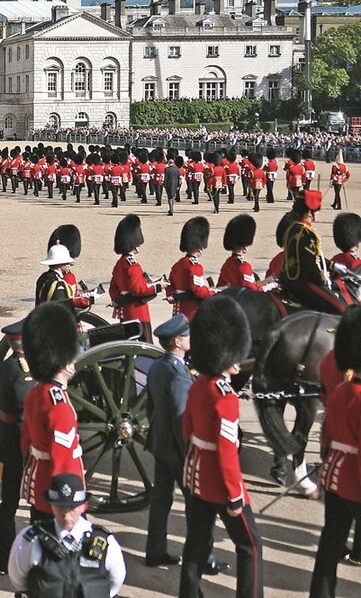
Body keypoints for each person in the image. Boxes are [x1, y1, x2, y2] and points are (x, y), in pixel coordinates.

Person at [180, 296, 263, 598]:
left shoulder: (199, 384)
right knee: (251, 545)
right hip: (219, 484)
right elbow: (227, 452)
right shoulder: (225, 397)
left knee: (196, 545)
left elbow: (188, 429)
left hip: (195, 477)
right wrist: (235, 495)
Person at [144, 315, 222, 572]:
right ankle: (202, 558)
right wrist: (189, 451)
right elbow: (181, 417)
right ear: (177, 342)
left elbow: (150, 407)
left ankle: (154, 551)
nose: (190, 338)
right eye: (186, 335)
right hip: (178, 450)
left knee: (161, 501)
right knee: (197, 506)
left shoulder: (158, 365)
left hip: (160, 443)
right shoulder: (178, 374)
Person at [310, 306, 361, 597]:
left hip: (333, 476)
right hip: (355, 480)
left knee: (330, 544)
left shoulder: (341, 391)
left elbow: (328, 435)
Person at [8, 473, 126, 597]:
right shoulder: (31, 540)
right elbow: (18, 579)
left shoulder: (105, 543)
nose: (66, 514)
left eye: (72, 508)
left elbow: (115, 583)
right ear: (51, 506)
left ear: (83, 506)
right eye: (60, 507)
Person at [20, 302, 84, 526]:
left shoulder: (36, 393)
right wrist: (70, 505)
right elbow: (64, 459)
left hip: (39, 487)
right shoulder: (60, 406)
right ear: (64, 360)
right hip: (59, 496)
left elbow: (25, 443)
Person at [0, 319, 35, 575]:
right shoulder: (16, 369)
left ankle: (7, 557)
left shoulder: (12, 367)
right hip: (16, 444)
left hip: (12, 442)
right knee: (12, 503)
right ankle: (7, 556)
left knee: (10, 503)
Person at [282, 191, 350, 314]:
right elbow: (310, 266)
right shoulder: (307, 233)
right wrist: (324, 280)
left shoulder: (293, 228)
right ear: (310, 212)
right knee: (341, 309)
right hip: (302, 281)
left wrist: (332, 265)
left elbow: (311, 256)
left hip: (288, 277)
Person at [109, 215, 162, 342]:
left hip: (125, 314)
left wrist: (118, 303)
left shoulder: (120, 263)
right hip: (138, 314)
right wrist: (158, 286)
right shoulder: (132, 265)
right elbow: (138, 289)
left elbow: (113, 289)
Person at [167, 217, 215, 321]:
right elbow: (198, 291)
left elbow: (170, 288)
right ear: (199, 246)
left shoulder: (177, 265)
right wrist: (212, 292)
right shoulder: (195, 267)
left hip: (177, 313)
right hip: (191, 314)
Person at [218, 215, 264, 291]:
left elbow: (220, 286)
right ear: (244, 245)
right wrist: (267, 287)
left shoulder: (227, 263)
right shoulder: (244, 266)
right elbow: (252, 289)